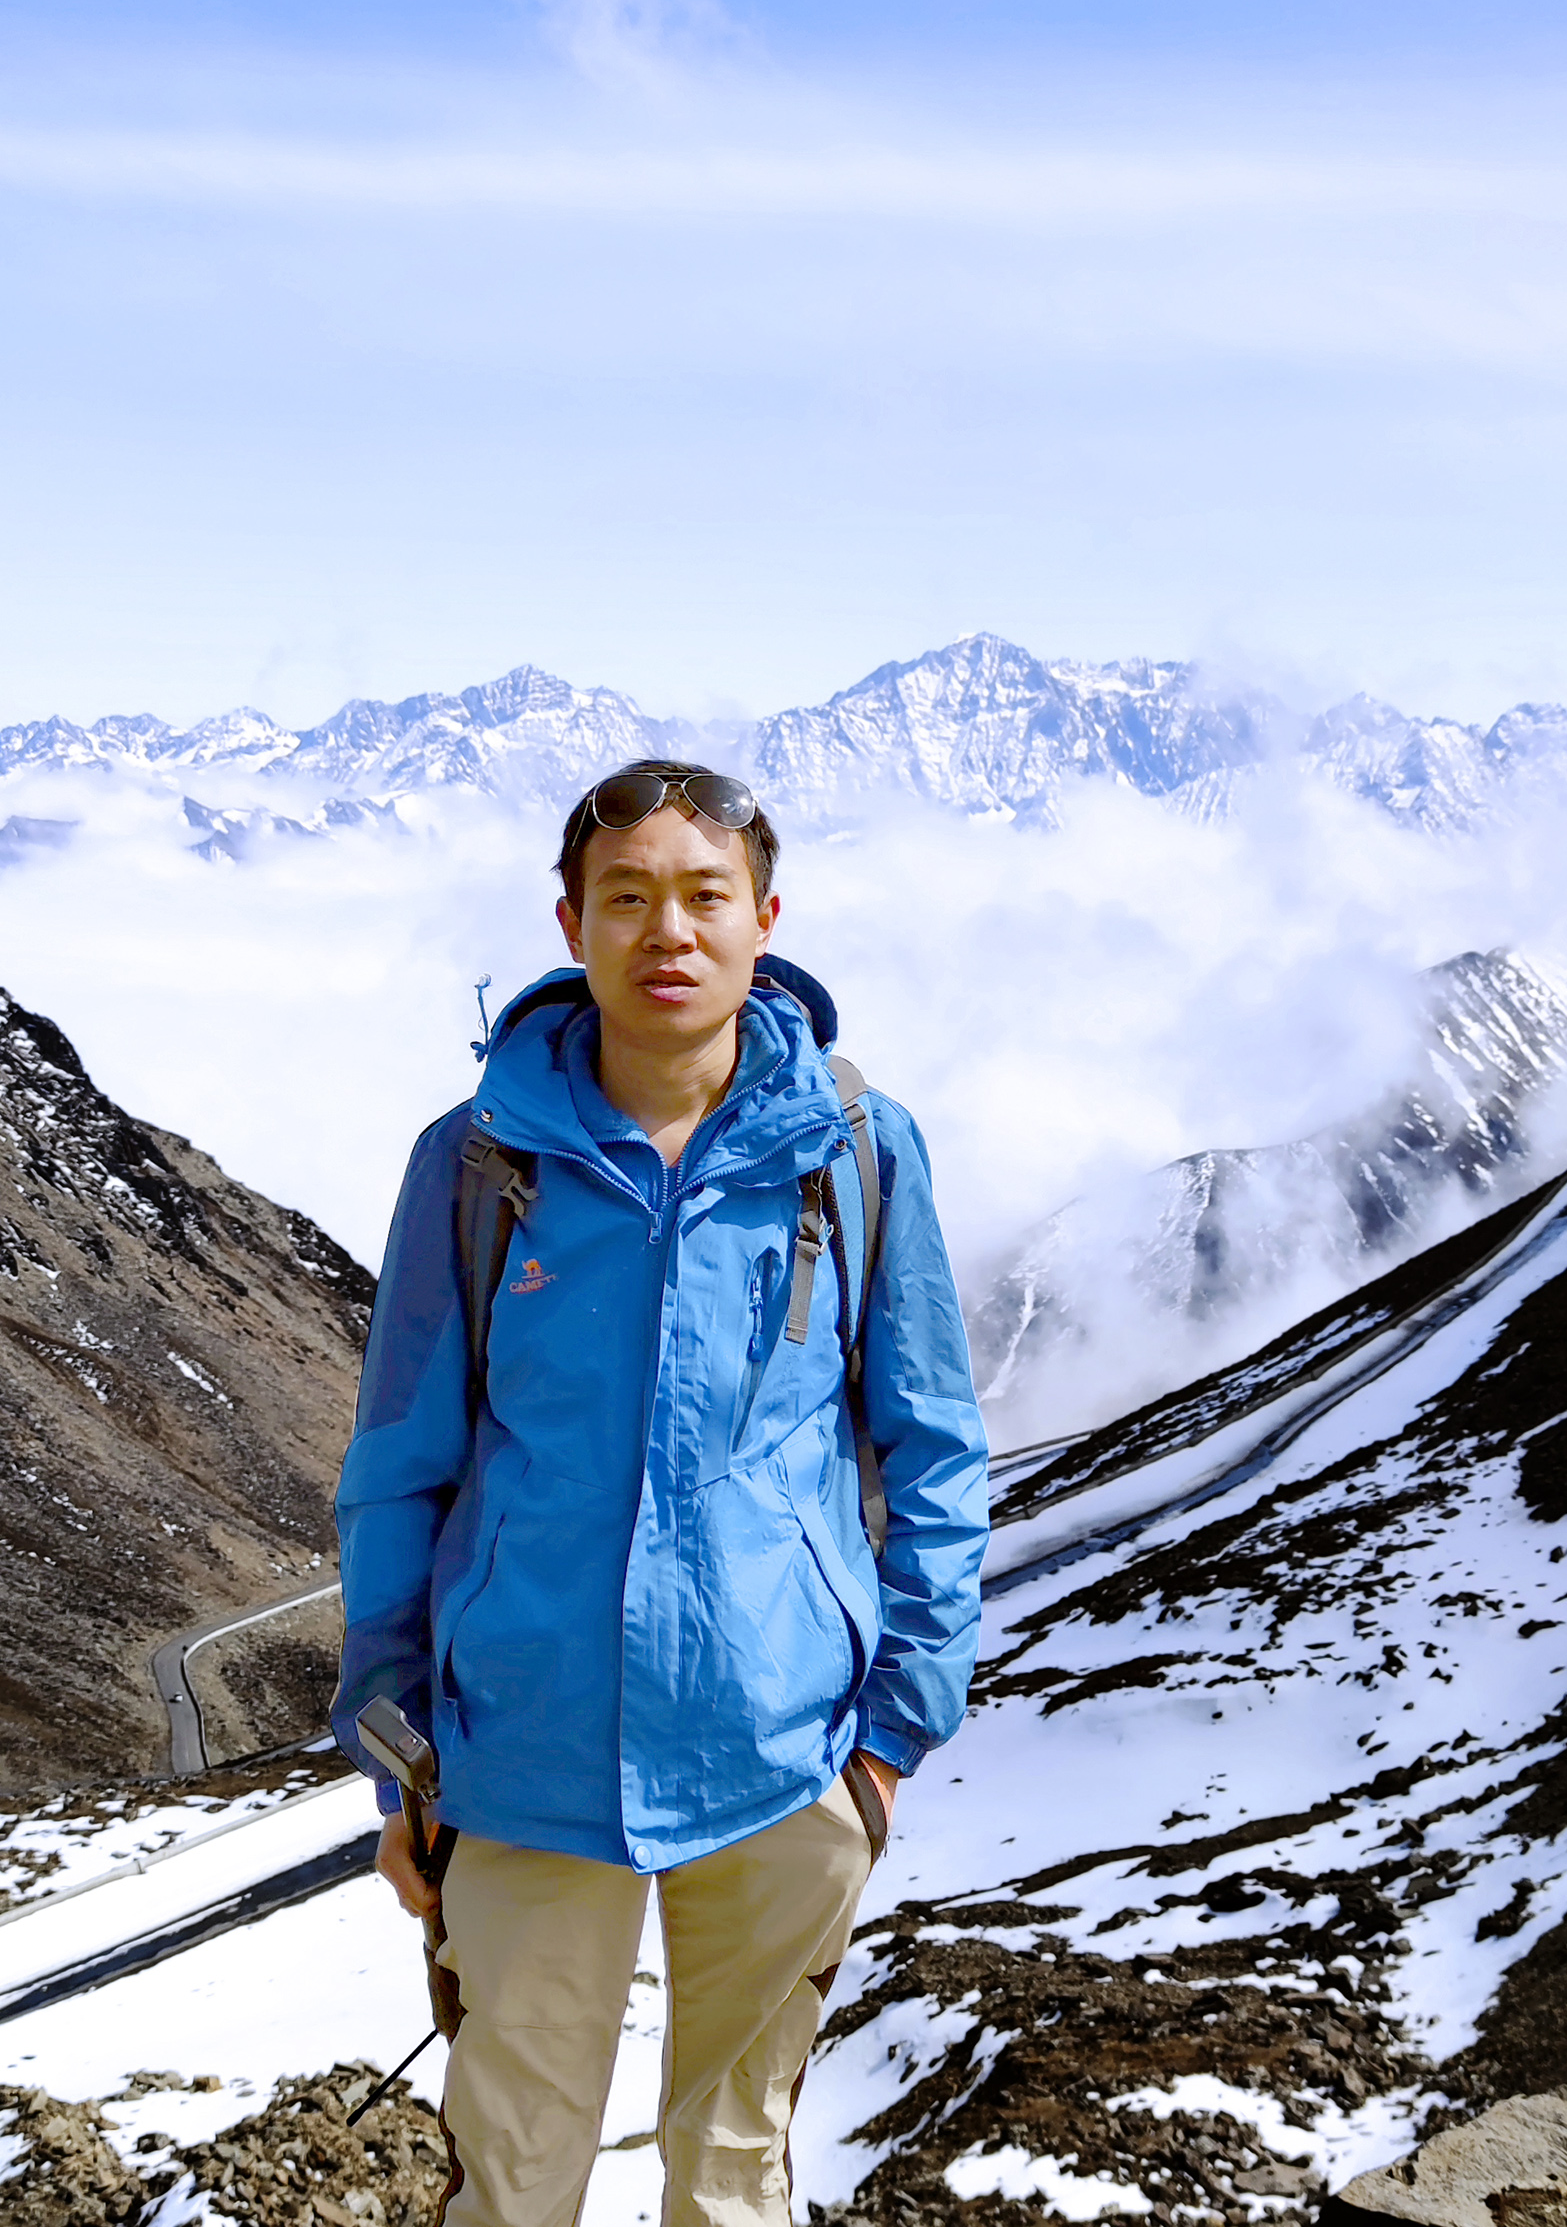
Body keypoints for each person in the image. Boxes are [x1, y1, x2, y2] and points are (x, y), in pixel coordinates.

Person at [336, 759, 991, 2227]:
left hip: (785, 1751)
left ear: (768, 919)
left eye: (705, 898)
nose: (668, 934)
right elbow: (399, 1470)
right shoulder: (478, 1164)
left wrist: (892, 1733)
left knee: (737, 2176)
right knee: (511, 2182)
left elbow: (934, 1444)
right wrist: (400, 1755)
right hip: (517, 1756)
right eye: (627, 900)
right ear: (571, 924)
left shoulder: (856, 1154)